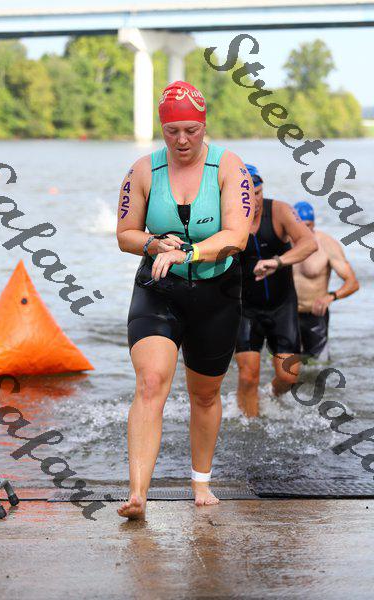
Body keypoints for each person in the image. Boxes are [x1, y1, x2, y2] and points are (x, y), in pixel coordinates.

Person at [116, 81, 254, 519]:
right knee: (150, 382)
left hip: (217, 293)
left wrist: (189, 252)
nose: (181, 140)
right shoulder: (143, 170)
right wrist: (154, 244)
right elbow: (125, 234)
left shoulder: (229, 167)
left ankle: (201, 483)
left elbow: (237, 237)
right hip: (159, 289)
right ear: (162, 129)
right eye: (172, 131)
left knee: (205, 395)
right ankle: (138, 494)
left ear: (204, 125)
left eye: (190, 130)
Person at [234, 165, 317, 418]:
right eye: (247, 195)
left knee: (288, 376)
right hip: (245, 309)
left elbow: (309, 243)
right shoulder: (227, 219)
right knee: (248, 377)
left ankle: (269, 395)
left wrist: (278, 262)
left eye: (257, 193)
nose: (254, 200)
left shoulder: (280, 211)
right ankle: (249, 425)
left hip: (282, 307)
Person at [293, 201, 359, 360]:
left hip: (314, 315)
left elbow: (353, 283)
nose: (304, 231)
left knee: (318, 366)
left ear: (314, 223)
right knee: (281, 364)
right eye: (299, 226)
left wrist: (330, 297)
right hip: (286, 314)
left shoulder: (327, 244)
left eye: (308, 226)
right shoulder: (282, 243)